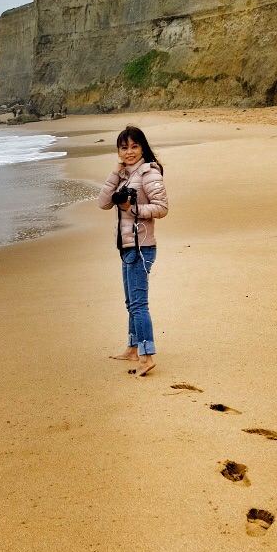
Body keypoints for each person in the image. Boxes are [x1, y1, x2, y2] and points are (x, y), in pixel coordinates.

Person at [97, 124, 169, 376]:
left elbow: (161, 207)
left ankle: (146, 355)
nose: (129, 152)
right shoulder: (124, 175)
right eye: (124, 147)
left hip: (141, 246)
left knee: (139, 304)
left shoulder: (150, 174)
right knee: (130, 302)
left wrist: (135, 209)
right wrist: (115, 175)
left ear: (142, 148)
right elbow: (103, 203)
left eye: (134, 146)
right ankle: (132, 348)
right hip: (126, 245)